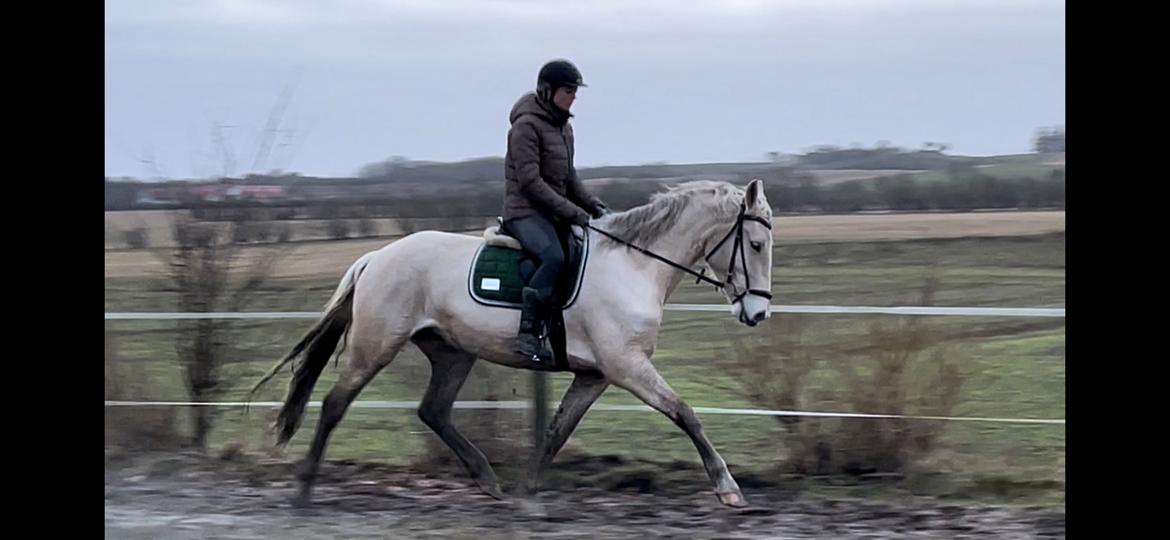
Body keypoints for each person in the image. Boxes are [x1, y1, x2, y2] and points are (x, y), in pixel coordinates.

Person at [502, 59, 610, 362]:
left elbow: (569, 177)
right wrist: (572, 212)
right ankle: (528, 334)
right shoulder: (525, 127)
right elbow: (530, 182)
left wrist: (594, 206)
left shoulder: (565, 128)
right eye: (567, 91)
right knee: (554, 257)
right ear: (546, 91)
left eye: (575, 92)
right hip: (524, 211)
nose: (573, 97)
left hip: (551, 212)